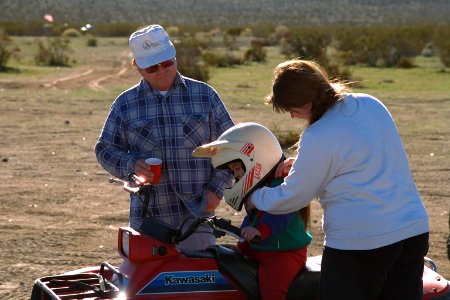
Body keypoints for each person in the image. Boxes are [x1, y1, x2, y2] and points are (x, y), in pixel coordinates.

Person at [244, 59, 430, 300]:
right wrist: (303, 164)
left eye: (292, 108)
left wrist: (256, 197)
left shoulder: (318, 134)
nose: (291, 116)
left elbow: (292, 197)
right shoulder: (370, 103)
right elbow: (358, 154)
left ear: (307, 102)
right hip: (412, 231)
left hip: (360, 244)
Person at [95, 24, 234, 250]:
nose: (162, 70)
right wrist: (131, 165)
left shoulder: (205, 95)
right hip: (148, 219)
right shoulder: (125, 104)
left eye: (167, 62)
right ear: (137, 67)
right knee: (152, 284)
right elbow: (104, 149)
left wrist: (216, 190)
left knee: (200, 282)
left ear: (175, 57)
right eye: (152, 67)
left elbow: (231, 147)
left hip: (198, 216)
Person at [193, 122, 312, 300]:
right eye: (233, 171)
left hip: (283, 254)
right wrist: (243, 243)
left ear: (256, 159)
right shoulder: (261, 188)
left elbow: (281, 216)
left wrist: (260, 231)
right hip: (260, 248)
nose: (237, 176)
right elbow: (255, 218)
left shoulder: (281, 187)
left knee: (272, 292)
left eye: (238, 169)